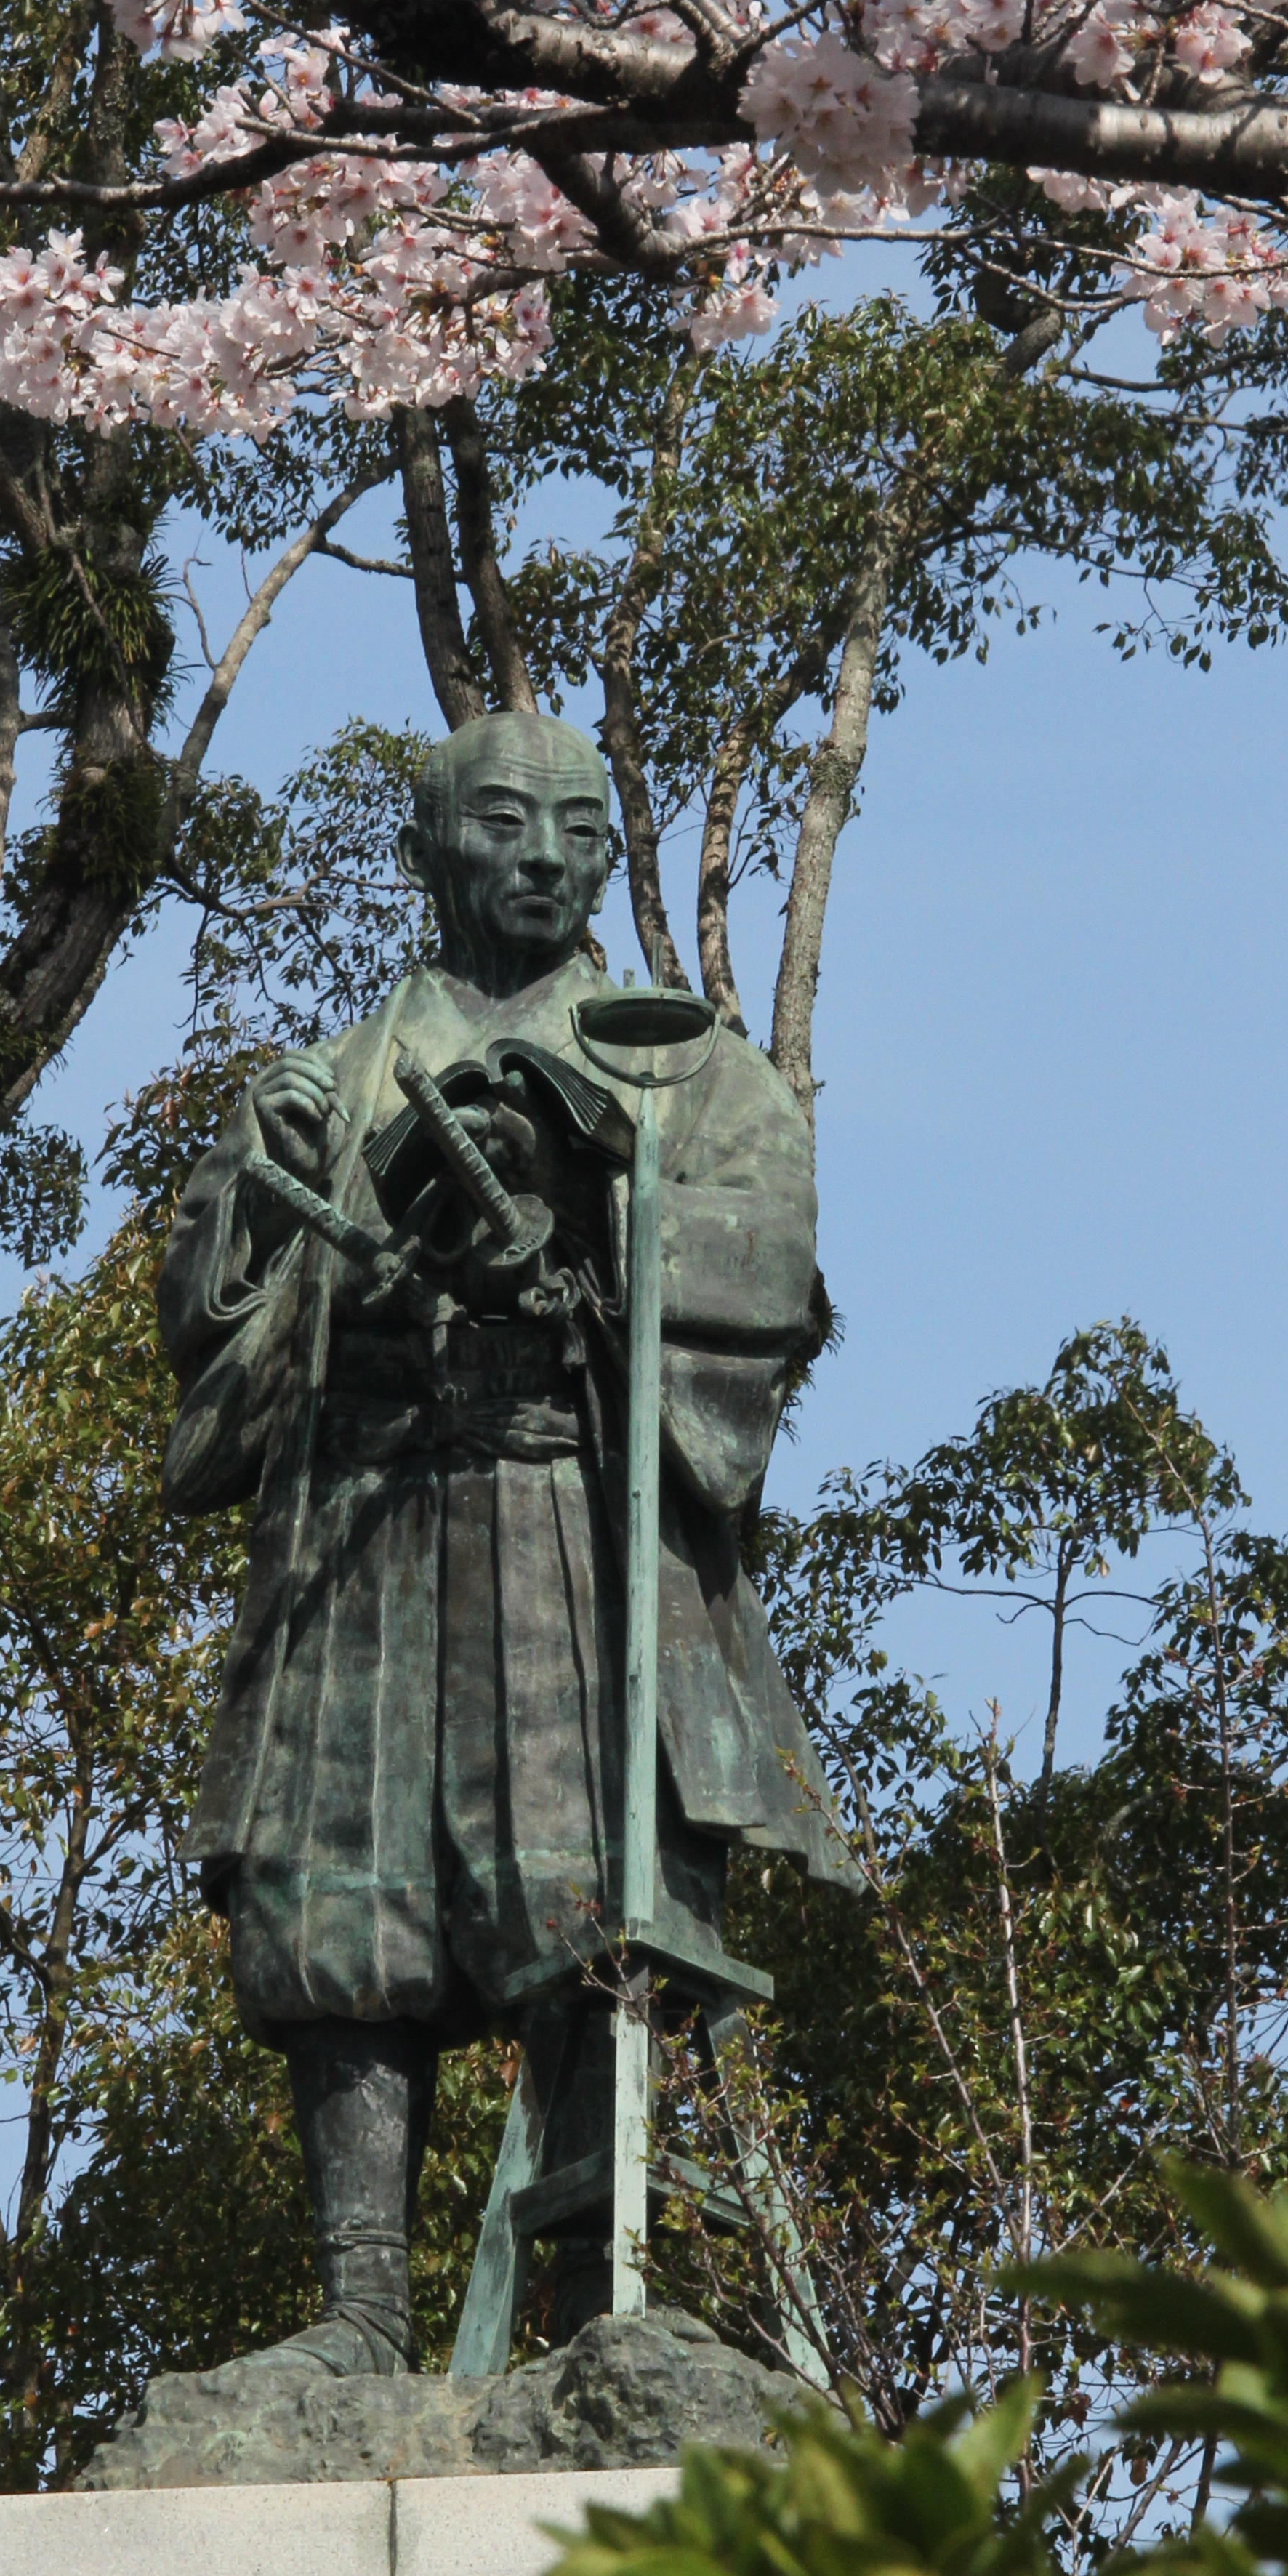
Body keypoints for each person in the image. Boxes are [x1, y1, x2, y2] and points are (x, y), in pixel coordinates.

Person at [158, 709, 850, 2372]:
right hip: (370, 1523)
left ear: (609, 856)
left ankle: (602, 2307)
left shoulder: (688, 1067)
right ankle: (358, 2311)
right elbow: (207, 1321)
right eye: (499, 821)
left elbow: (767, 1263)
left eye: (572, 827)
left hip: (560, 1513)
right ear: (428, 849)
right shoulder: (324, 1085)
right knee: (342, 1907)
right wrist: (295, 1202)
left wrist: (604, 1188)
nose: (539, 854)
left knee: (584, 1899)